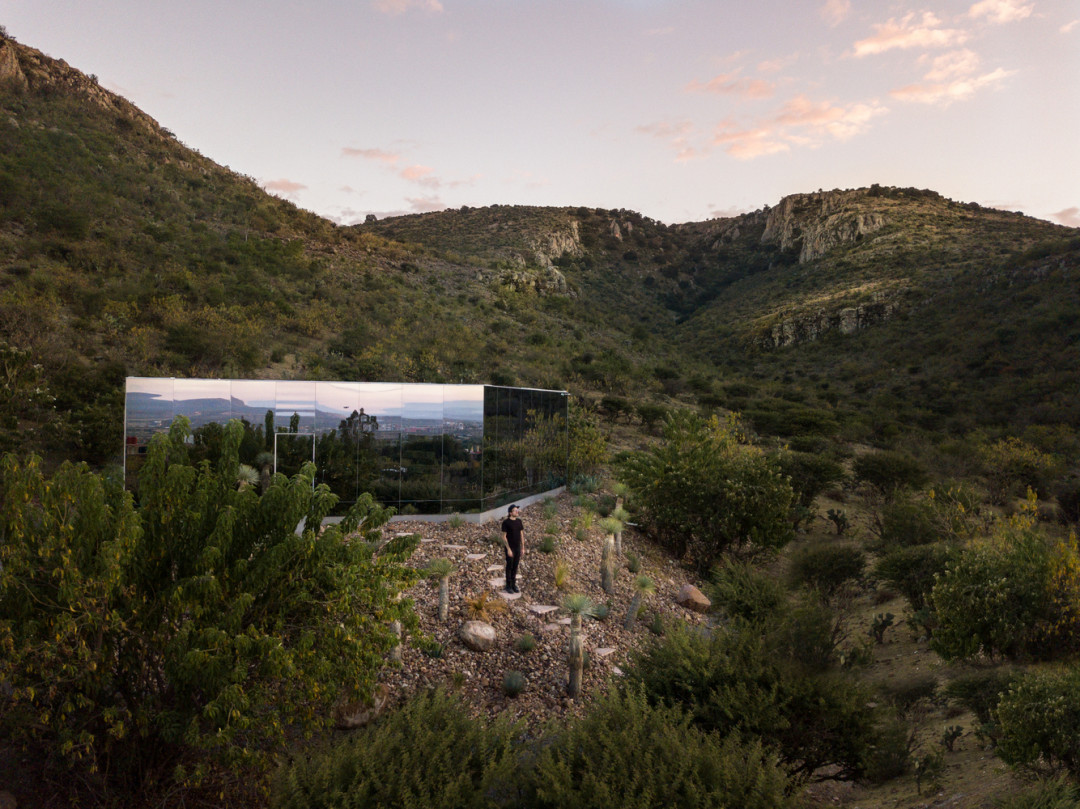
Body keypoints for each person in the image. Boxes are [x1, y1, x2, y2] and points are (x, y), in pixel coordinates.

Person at [501, 504, 525, 593]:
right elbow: (504, 537)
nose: (517, 511)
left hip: (518, 548)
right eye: (515, 510)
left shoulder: (519, 521)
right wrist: (508, 549)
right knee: (509, 566)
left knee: (515, 566)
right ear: (510, 513)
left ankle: (514, 585)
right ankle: (508, 586)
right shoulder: (506, 523)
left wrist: (523, 547)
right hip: (510, 548)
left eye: (517, 510)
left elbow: (522, 534)